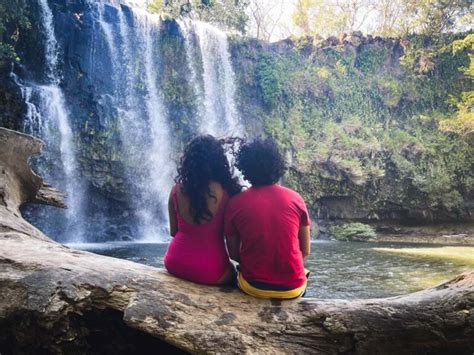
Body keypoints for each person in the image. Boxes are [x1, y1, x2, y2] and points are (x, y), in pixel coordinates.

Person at [224, 138, 311, 299]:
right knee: (304, 275)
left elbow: (234, 255)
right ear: (276, 166)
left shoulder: (235, 203)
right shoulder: (295, 198)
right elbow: (305, 250)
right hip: (292, 289)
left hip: (253, 287)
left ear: (245, 169)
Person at [164, 135, 241, 285]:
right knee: (234, 276)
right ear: (220, 162)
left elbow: (174, 232)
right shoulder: (228, 194)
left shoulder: (176, 190)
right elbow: (233, 240)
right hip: (211, 270)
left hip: (174, 262)